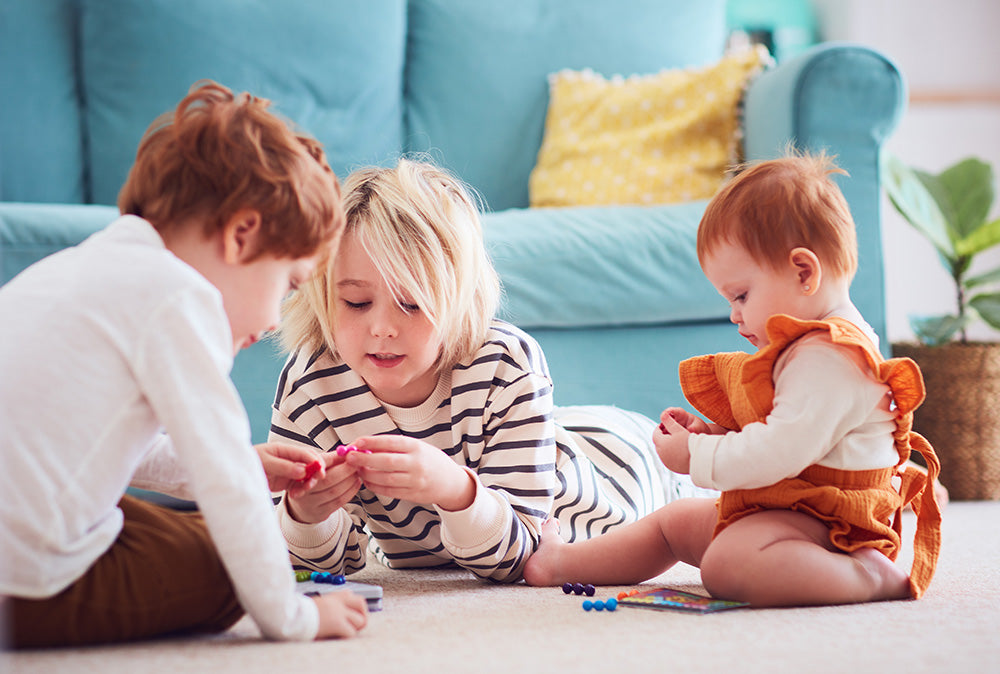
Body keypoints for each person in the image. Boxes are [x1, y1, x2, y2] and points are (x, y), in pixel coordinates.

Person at [0, 81, 368, 648]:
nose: (275, 319)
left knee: (203, 523)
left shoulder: (84, 267)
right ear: (242, 234)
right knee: (231, 559)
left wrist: (244, 466)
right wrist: (295, 617)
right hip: (23, 584)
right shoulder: (179, 297)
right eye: (287, 283)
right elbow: (223, 484)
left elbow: (98, 443)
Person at [523, 153, 944, 606]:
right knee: (675, 523)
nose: (734, 314)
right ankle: (559, 563)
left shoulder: (835, 356)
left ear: (804, 272)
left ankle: (867, 574)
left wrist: (696, 454)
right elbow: (789, 435)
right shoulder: (806, 348)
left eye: (741, 295)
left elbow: (778, 451)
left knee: (727, 564)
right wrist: (718, 434)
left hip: (832, 522)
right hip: (793, 502)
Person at [269, 158, 700, 582]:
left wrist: (454, 489)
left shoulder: (503, 362)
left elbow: (519, 559)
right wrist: (305, 515)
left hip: (621, 472)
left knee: (716, 501)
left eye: (412, 304)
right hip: (537, 443)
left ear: (458, 298)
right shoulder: (311, 382)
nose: (381, 328)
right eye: (357, 303)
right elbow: (301, 563)